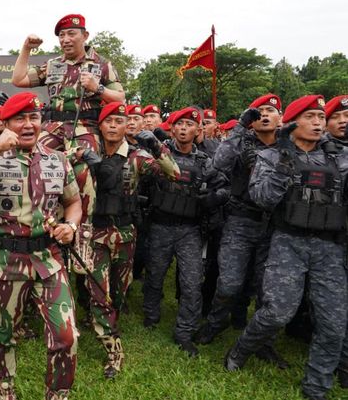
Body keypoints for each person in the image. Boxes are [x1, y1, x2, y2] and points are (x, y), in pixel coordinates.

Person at [0, 92, 81, 400]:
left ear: (41, 121)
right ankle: (6, 391)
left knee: (66, 336)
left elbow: (74, 201)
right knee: (4, 335)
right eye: (20, 119)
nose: (28, 125)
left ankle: (57, 395)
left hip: (48, 260)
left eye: (34, 118)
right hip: (5, 262)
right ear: (6, 123)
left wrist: (71, 225)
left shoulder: (57, 159)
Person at [223, 95, 347, 400]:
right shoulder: (271, 157)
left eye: (321, 117)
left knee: (333, 325)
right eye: (310, 117)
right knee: (277, 313)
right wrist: (283, 162)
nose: (318, 123)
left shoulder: (337, 158)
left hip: (329, 248)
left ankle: (316, 388)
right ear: (292, 123)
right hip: (288, 242)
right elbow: (263, 198)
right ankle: (241, 349)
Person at [11, 13, 125, 291]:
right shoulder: (53, 65)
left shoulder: (101, 64)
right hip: (52, 127)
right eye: (61, 35)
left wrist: (97, 88)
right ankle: (32, 225)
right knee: (29, 163)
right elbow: (19, 79)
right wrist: (26, 48)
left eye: (71, 34)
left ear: (85, 36)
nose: (65, 40)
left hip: (85, 126)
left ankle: (82, 236)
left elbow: (120, 97)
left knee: (85, 174)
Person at [88, 101, 179, 378]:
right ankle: (113, 349)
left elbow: (174, 174)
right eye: (108, 121)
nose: (114, 126)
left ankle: (109, 317)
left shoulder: (137, 157)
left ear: (128, 125)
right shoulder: (85, 152)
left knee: (119, 290)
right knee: (98, 291)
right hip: (96, 234)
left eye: (119, 121)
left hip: (126, 233)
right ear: (100, 126)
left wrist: (157, 146)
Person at [196, 95, 287, 363]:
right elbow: (216, 164)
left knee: (265, 289)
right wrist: (239, 128)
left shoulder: (289, 145)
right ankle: (215, 323)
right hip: (240, 222)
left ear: (280, 117)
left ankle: (262, 341)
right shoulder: (240, 143)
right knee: (229, 283)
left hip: (275, 226)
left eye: (271, 111)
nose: (265, 115)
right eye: (259, 112)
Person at [142, 107, 228, 356]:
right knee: (155, 275)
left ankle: (185, 331)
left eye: (189, 124)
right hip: (160, 225)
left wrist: (209, 199)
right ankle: (151, 315)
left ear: (198, 130)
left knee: (191, 282)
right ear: (172, 127)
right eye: (179, 124)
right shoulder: (158, 154)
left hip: (190, 230)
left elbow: (224, 189)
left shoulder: (205, 162)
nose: (183, 129)